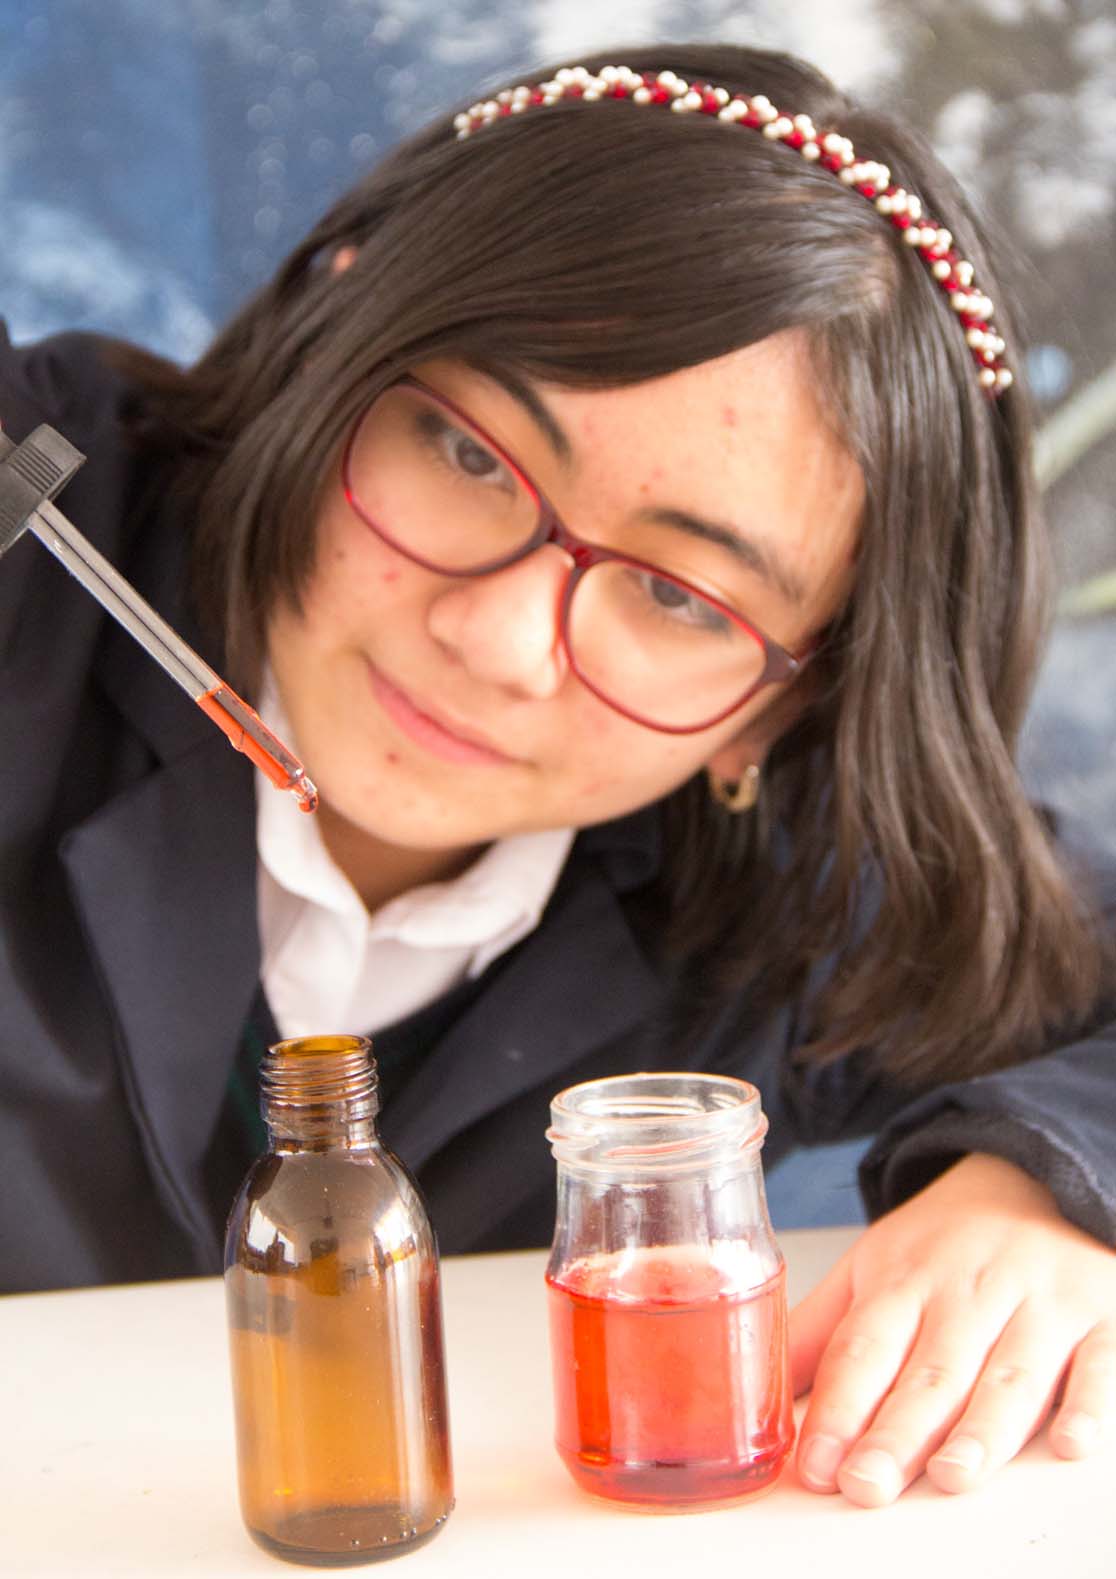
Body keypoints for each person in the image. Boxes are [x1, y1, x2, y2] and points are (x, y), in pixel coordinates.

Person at [1, 41, 1113, 1510]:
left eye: (682, 600)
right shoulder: (39, 540)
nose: (502, 641)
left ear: (787, 708)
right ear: (334, 334)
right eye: (465, 452)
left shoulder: (788, 890)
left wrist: (1055, 1187)